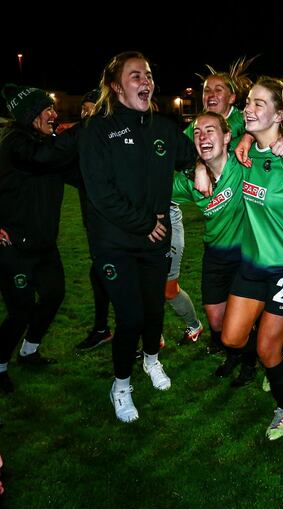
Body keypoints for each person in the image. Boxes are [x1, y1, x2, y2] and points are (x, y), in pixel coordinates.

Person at [79, 51, 196, 422]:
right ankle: (121, 385)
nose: (145, 81)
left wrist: (209, 162)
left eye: (148, 74)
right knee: (129, 318)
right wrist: (145, 222)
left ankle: (152, 361)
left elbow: (194, 153)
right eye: (135, 76)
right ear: (115, 87)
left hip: (154, 242)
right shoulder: (97, 130)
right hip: (115, 243)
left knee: (152, 310)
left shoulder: (162, 127)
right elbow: (100, 193)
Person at [217, 75, 283, 438]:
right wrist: (204, 169)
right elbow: (203, 143)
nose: (247, 109)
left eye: (258, 104)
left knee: (266, 350)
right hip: (251, 264)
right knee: (232, 339)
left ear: (280, 114)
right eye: (248, 102)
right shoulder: (243, 150)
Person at [167, 59, 252, 350]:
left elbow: (273, 130)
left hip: (250, 235)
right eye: (206, 90)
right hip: (214, 243)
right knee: (220, 314)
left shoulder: (245, 119)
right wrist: (199, 166)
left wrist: (250, 138)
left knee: (249, 309)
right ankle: (224, 339)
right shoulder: (194, 130)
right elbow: (177, 161)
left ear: (232, 97)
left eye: (218, 89)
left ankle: (255, 349)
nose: (211, 94)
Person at [0, 83, 77, 393]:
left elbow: (74, 173)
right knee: (20, 310)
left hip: (44, 244)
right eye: (47, 109)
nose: (54, 114)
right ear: (31, 114)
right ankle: (0, 365)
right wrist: (80, 132)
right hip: (13, 246)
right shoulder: (15, 143)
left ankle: (29, 351)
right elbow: (41, 157)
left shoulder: (46, 144)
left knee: (53, 295)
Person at [71, 88, 115, 352]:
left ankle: (144, 335)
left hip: (115, 225)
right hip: (94, 224)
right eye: (83, 109)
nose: (84, 114)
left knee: (115, 275)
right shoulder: (83, 142)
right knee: (99, 273)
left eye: (90, 109)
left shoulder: (111, 141)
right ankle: (102, 329)